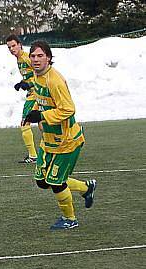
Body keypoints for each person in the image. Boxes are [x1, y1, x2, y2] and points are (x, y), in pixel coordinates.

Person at [24, 40, 97, 230]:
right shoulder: (37, 76)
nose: (35, 59)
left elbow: (68, 109)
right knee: (41, 181)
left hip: (66, 141)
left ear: (48, 58)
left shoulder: (54, 80)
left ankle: (70, 219)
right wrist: (28, 90)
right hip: (48, 141)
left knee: (56, 183)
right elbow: (40, 96)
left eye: (40, 56)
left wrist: (41, 115)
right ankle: (86, 188)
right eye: (33, 56)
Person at [6, 34, 38, 163]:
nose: (12, 49)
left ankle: (33, 156)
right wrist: (22, 83)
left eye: (14, 45)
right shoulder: (19, 59)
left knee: (25, 123)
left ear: (19, 44)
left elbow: (40, 73)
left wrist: (29, 84)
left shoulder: (26, 58)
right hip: (34, 93)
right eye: (9, 47)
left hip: (35, 95)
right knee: (43, 124)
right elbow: (31, 75)